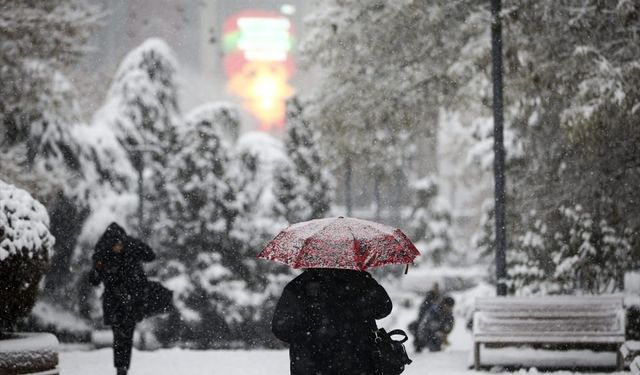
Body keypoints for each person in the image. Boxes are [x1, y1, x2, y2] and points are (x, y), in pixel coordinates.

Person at [272, 268, 392, 375]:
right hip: (359, 361)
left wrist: (308, 336)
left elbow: (281, 328)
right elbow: (384, 309)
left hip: (311, 364)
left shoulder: (298, 286)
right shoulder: (362, 280)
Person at [89, 222, 155, 375]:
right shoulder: (103, 254)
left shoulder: (131, 251)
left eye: (121, 244)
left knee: (127, 335)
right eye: (115, 244)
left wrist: (132, 243)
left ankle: (123, 368)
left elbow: (150, 255)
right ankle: (121, 368)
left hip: (132, 300)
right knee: (120, 335)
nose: (119, 247)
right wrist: (99, 266)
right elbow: (94, 279)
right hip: (114, 301)